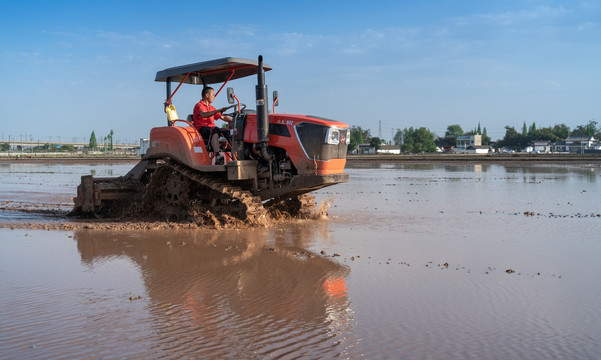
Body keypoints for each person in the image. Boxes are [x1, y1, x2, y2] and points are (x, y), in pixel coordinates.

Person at [193, 86, 233, 154]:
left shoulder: (211, 107)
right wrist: (217, 111)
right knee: (214, 130)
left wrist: (234, 120)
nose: (214, 97)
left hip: (211, 129)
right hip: (202, 129)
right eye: (213, 95)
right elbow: (204, 114)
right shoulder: (199, 105)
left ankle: (234, 153)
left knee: (228, 131)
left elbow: (222, 117)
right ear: (207, 95)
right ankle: (217, 155)